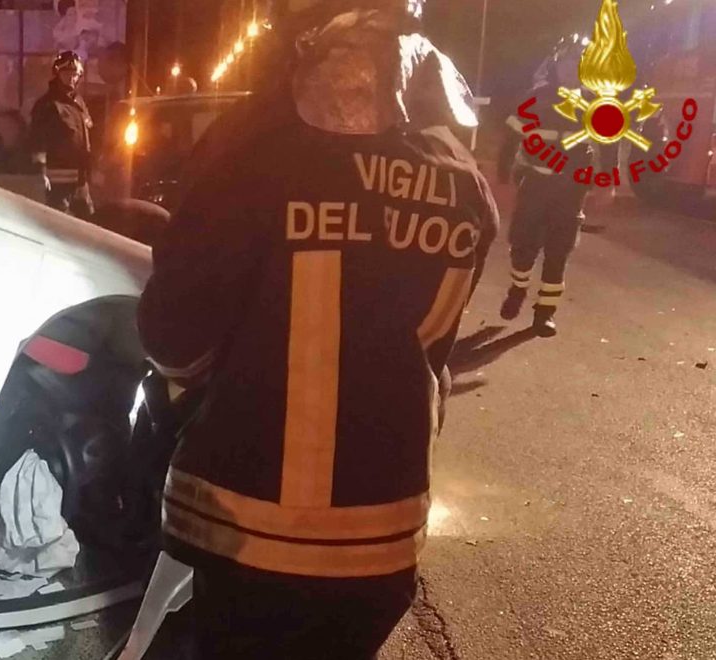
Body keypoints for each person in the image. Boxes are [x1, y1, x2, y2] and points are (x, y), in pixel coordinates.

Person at [136, 1, 499, 658]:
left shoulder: (251, 154)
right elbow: (432, 352)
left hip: (244, 533)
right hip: (382, 541)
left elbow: (173, 337)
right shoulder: (463, 179)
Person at [500, 40, 594, 337]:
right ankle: (518, 289)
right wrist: (502, 176)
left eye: (578, 65)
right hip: (536, 184)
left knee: (558, 252)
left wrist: (609, 181)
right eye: (566, 64)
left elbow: (608, 144)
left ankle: (545, 313)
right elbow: (511, 138)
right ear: (555, 66)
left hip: (571, 190)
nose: (571, 70)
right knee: (523, 246)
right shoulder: (535, 98)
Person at [30, 51, 95, 219]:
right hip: (58, 183)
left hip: (81, 181)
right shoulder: (48, 105)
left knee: (89, 224)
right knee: (60, 224)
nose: (72, 78)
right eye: (67, 73)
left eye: (75, 74)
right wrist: (40, 172)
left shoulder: (79, 103)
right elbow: (37, 141)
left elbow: (86, 137)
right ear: (58, 74)